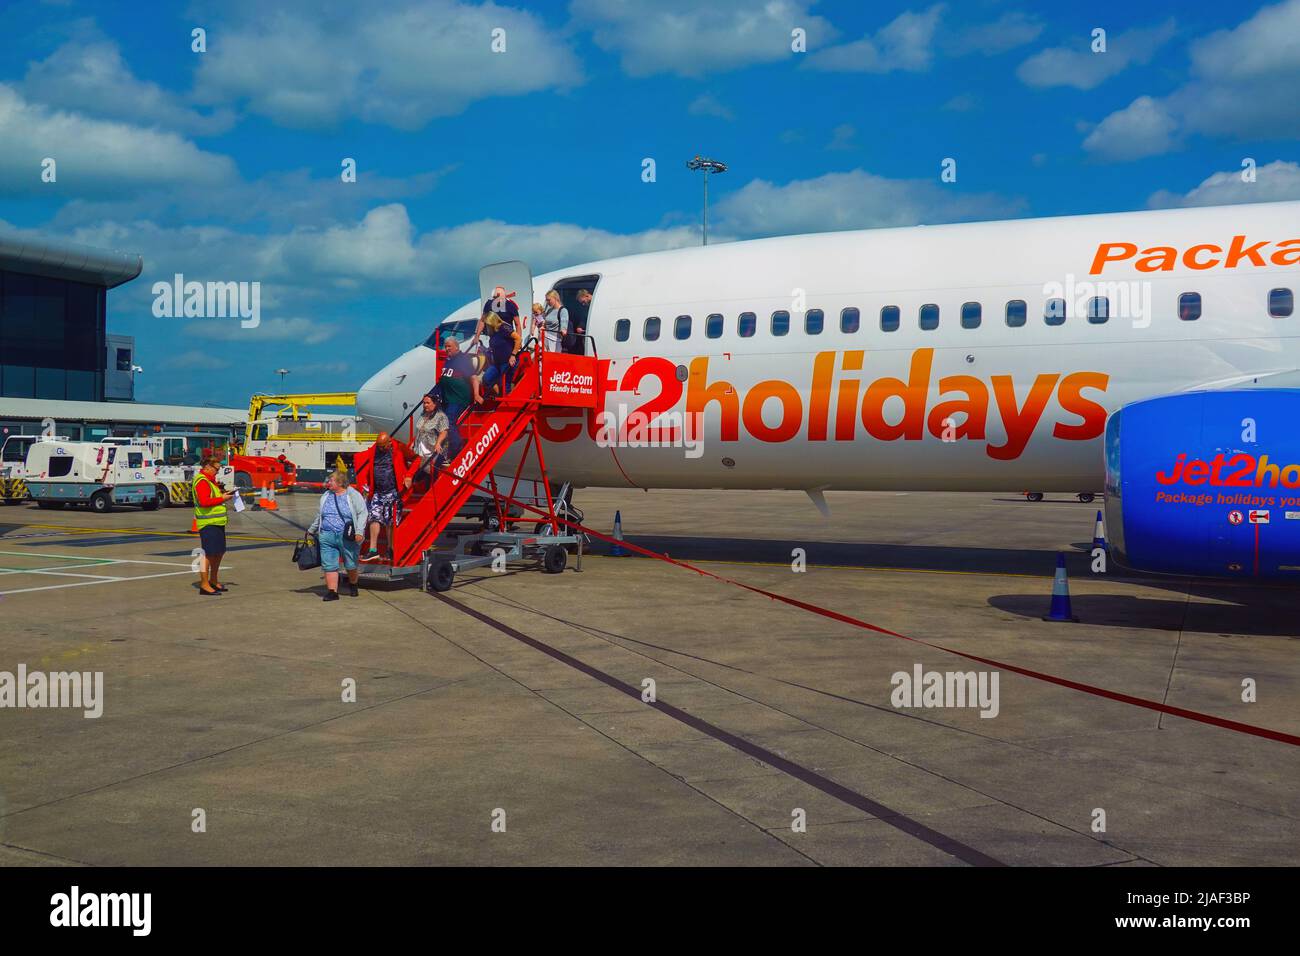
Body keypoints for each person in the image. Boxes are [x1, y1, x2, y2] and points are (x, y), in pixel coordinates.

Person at [307, 472, 367, 600]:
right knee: (329, 565)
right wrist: (311, 530)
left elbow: (362, 513)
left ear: (340, 483)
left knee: (350, 564)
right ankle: (332, 592)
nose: (328, 483)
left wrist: (359, 532)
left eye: (331, 480)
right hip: (326, 535)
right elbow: (321, 515)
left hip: (346, 535)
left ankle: (353, 584)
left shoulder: (353, 495)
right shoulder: (326, 495)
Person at [361, 433, 409, 562]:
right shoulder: (374, 450)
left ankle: (390, 548)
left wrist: (409, 475)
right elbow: (368, 468)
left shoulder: (398, 448)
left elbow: (416, 459)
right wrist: (366, 485)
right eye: (379, 446)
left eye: (383, 446)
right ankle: (373, 550)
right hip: (378, 491)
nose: (381, 449)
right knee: (373, 517)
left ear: (389, 443)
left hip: (393, 492)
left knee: (390, 521)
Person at [192, 456, 230, 596]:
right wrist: (222, 498)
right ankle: (204, 584)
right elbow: (204, 502)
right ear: (207, 467)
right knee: (208, 554)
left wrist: (223, 495)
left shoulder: (210, 481)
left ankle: (213, 580)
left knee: (219, 552)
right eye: (216, 469)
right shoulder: (202, 481)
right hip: (208, 523)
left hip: (217, 522)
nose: (218, 471)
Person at [406, 393, 450, 492]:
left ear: (435, 404)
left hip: (433, 448)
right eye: (424, 403)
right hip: (421, 447)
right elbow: (420, 430)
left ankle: (430, 491)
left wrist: (438, 443)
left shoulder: (441, 416)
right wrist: (413, 441)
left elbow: (444, 432)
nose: (425, 405)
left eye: (427, 403)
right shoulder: (423, 415)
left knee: (427, 469)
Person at [438, 336, 475, 448]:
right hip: (448, 399)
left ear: (456, 347)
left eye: (449, 346)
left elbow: (473, 378)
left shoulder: (463, 359)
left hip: (458, 399)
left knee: (448, 422)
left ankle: (457, 448)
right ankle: (447, 451)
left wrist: (477, 394)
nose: (447, 349)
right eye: (445, 347)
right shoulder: (448, 361)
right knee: (442, 424)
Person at [480, 308, 522, 398]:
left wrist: (513, 355)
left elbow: (518, 338)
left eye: (487, 324)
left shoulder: (503, 327)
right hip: (497, 363)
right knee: (486, 378)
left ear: (492, 322)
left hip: (508, 361)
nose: (485, 326)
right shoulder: (492, 332)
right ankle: (499, 395)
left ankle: (505, 404)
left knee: (505, 384)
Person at [566, 288, 592, 354]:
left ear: (587, 295)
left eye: (583, 302)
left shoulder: (597, 302)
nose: (583, 304)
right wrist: (580, 327)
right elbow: (584, 318)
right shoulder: (586, 307)